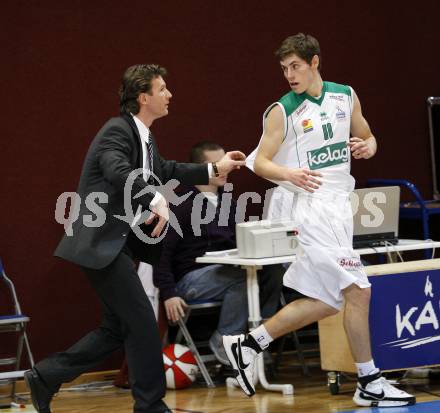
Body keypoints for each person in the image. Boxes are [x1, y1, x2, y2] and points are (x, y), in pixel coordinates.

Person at [24, 64, 245, 413]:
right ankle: (150, 405)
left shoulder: (143, 136)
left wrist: (214, 170)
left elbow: (167, 170)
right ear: (144, 97)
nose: (169, 94)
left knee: (116, 329)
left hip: (118, 246)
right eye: (162, 89)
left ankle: (46, 375)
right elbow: (116, 170)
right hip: (101, 245)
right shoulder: (117, 131)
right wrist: (156, 199)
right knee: (142, 321)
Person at [222, 33, 416, 408]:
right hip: (305, 205)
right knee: (358, 290)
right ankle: (369, 380)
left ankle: (248, 344)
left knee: (329, 300)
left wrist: (369, 146)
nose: (289, 75)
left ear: (315, 63)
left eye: (295, 66)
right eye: (284, 68)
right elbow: (259, 161)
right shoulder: (283, 109)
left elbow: (368, 135)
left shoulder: (345, 95)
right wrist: (288, 174)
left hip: (338, 205)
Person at [153, 141, 284, 365]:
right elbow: (160, 254)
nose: (226, 168)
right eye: (217, 164)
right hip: (192, 278)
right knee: (242, 278)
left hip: (227, 270)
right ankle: (226, 340)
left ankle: (260, 336)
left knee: (273, 271)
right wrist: (169, 293)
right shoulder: (180, 205)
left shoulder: (229, 202)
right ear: (200, 168)